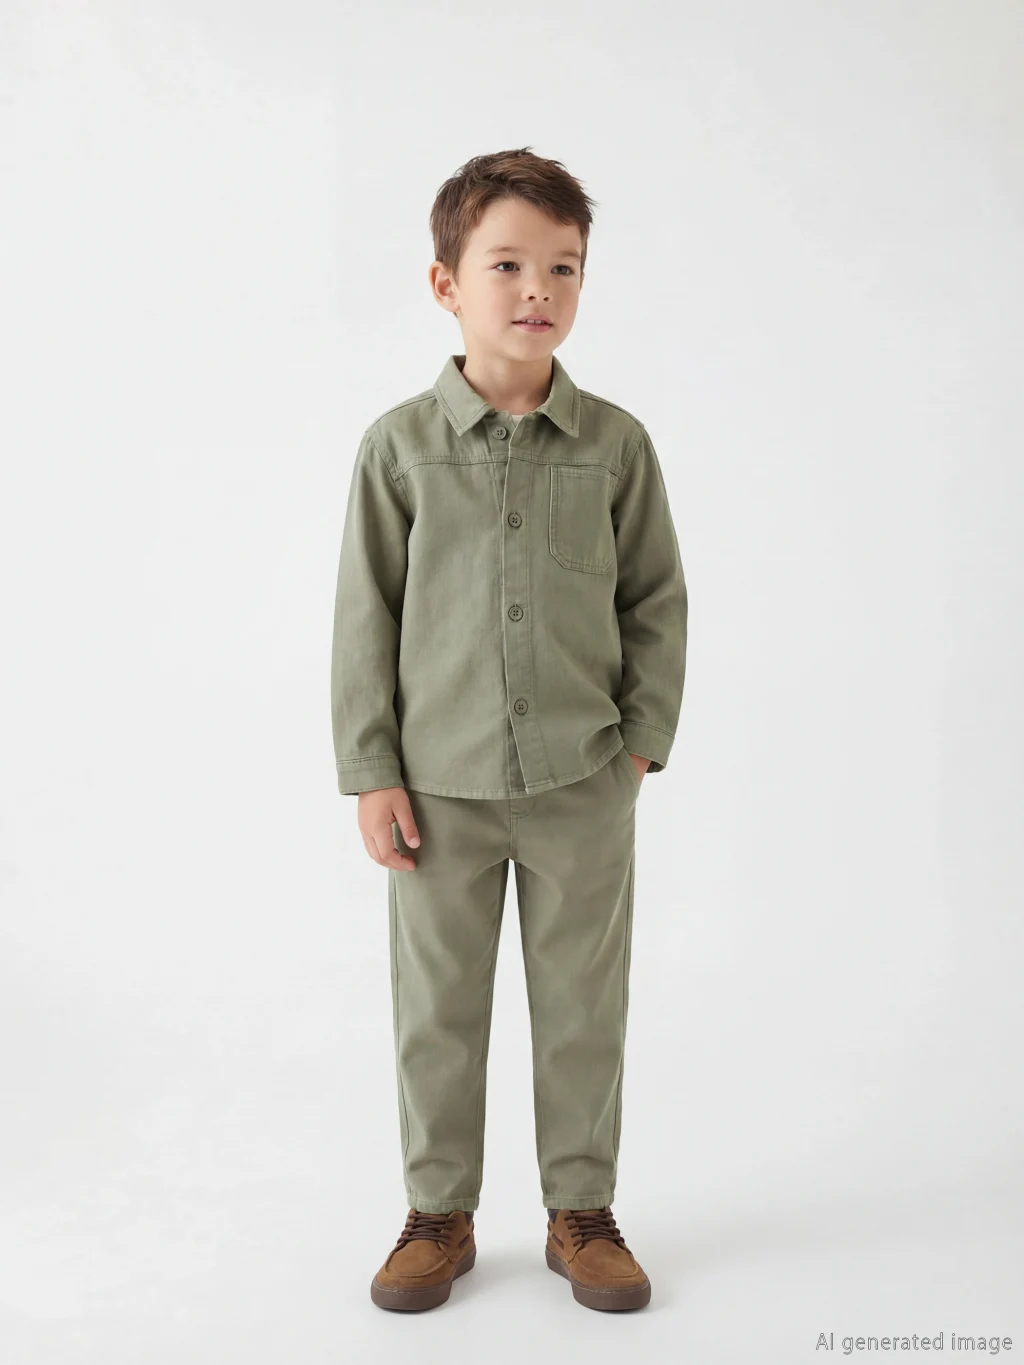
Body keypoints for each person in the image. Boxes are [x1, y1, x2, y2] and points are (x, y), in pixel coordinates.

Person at [330, 146, 688, 1312]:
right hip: (436, 791)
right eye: (507, 265)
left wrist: (638, 744)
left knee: (583, 1008)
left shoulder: (615, 446)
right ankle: (437, 1215)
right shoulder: (397, 448)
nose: (538, 289)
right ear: (447, 283)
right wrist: (373, 771)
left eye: (563, 267)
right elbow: (364, 617)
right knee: (437, 1011)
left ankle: (581, 1212)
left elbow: (656, 600)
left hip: (584, 781)